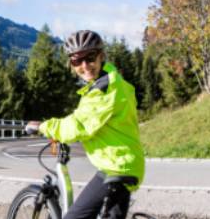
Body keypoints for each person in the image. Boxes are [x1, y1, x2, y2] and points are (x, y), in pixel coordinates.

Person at [25, 30, 145, 219]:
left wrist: (43, 127)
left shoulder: (104, 90)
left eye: (90, 58)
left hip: (115, 167)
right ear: (70, 64)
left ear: (101, 56)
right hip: (125, 162)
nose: (85, 66)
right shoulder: (111, 82)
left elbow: (79, 125)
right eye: (76, 61)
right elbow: (91, 119)